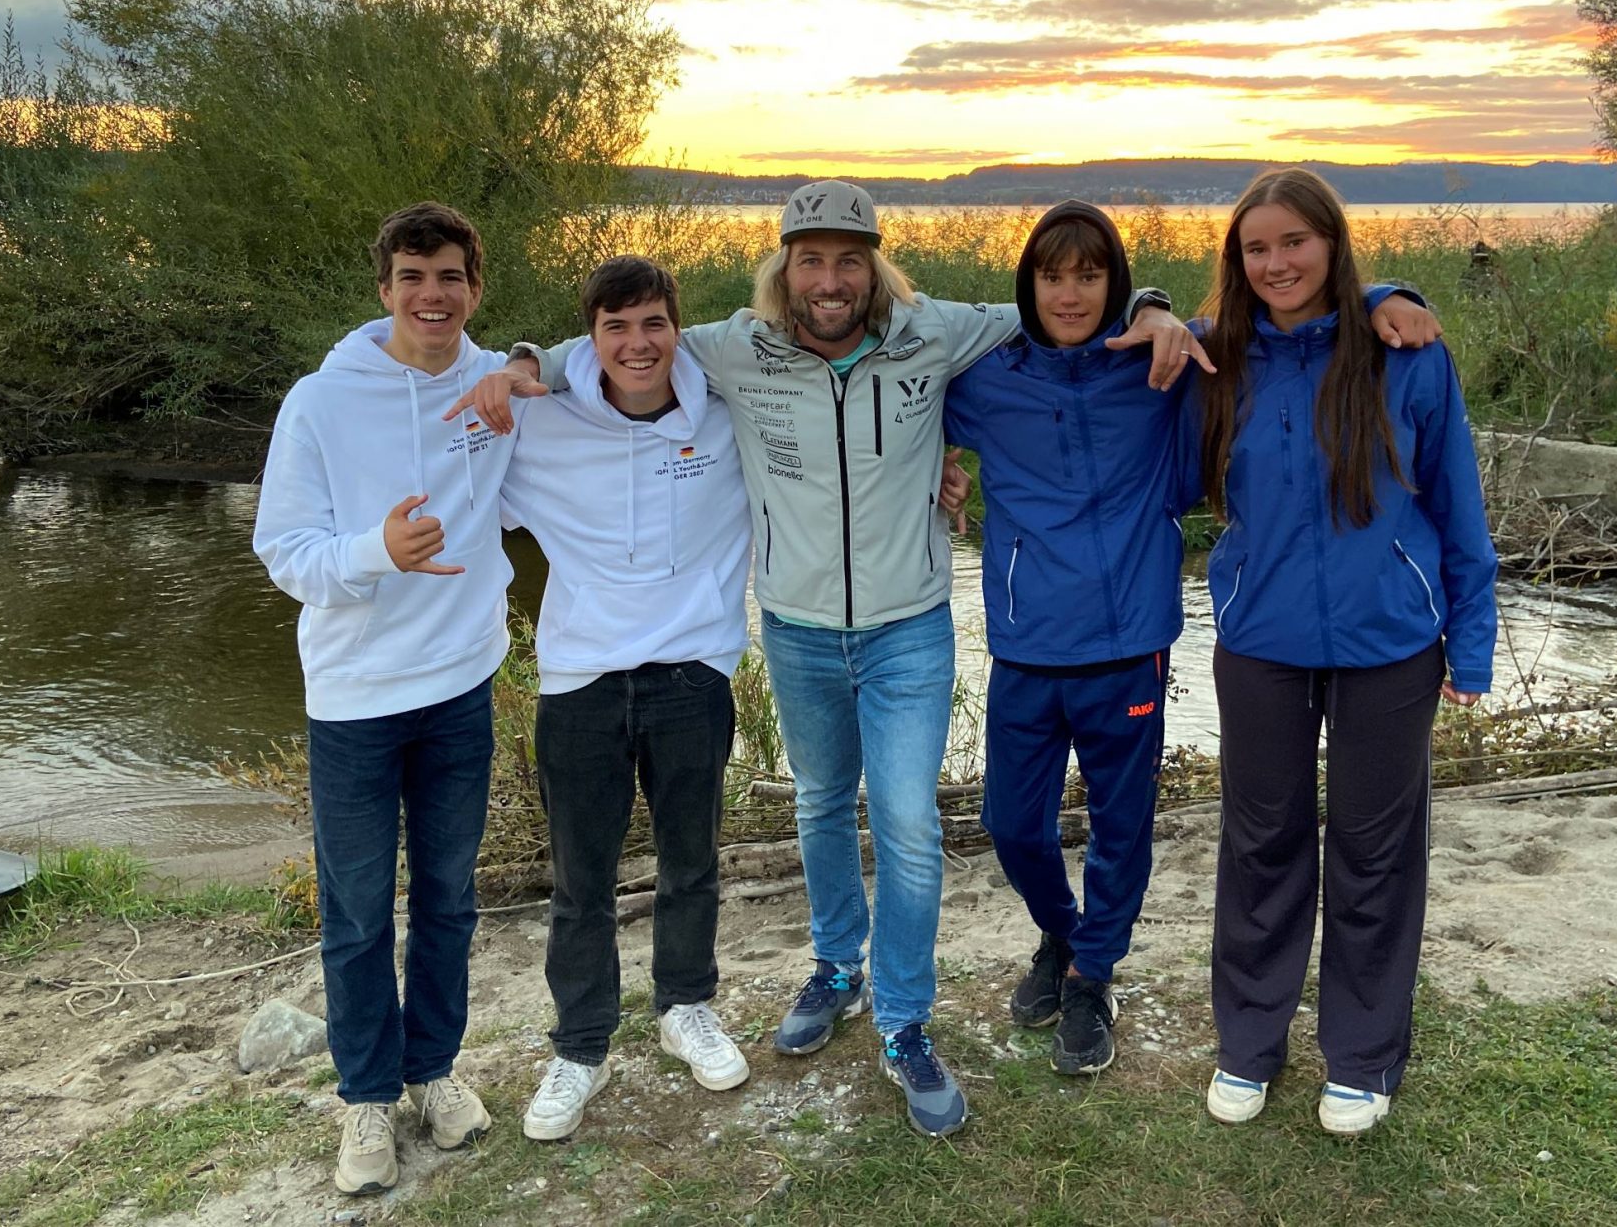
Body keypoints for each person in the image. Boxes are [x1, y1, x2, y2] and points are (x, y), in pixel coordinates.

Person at [449, 180, 1207, 1139]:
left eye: (850, 258)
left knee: (908, 825)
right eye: (812, 258)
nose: (831, 278)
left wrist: (1152, 305)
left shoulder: (934, 334)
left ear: (874, 264)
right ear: (785, 268)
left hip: (909, 629)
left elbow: (1049, 314)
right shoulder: (736, 348)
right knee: (817, 804)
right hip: (800, 631)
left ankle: (903, 1022)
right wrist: (522, 364)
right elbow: (625, 347)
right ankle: (836, 968)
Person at [942, 201, 1437, 1078]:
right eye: (1053, 275)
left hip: (1131, 639)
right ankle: (1061, 935)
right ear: (1028, 284)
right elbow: (898, 419)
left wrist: (1381, 295)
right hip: (1025, 639)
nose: (1070, 292)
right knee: (1011, 825)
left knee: (1121, 825)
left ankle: (1094, 975)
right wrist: (935, 473)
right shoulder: (985, 380)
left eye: (1090, 275)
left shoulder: (1165, 369)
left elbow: (1282, 327)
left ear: (1116, 284)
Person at [1188, 168, 1497, 1136]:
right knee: (1260, 845)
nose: (1275, 262)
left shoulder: (1406, 353)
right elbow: (1110, 340)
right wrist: (1155, 309)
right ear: (1236, 262)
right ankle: (1248, 1043)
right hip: (1259, 643)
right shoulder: (1217, 359)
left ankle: (1360, 1059)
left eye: (1293, 242)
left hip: (1390, 647)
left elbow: (1455, 506)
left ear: (1331, 243)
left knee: (1373, 852)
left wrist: (1470, 643)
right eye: (1255, 248)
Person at [251, 202, 512, 1195]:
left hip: (459, 690)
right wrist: (376, 552)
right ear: (384, 289)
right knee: (358, 914)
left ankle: (432, 1073)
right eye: (411, 276)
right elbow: (283, 550)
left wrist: (524, 358)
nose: (430, 295)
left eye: (448, 275)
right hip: (354, 699)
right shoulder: (319, 402)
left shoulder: (496, 394)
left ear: (473, 288)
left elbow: (607, 375)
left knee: (448, 901)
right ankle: (365, 1100)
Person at [496, 256, 755, 1142]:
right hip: (580, 684)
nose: (636, 345)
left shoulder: (729, 418)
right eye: (615, 328)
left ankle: (686, 1007)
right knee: (581, 882)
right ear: (592, 339)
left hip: (693, 677)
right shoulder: (541, 422)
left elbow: (831, 469)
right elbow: (459, 487)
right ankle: (579, 1047)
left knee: (693, 862)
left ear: (676, 329)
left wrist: (936, 483)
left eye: (652, 324)